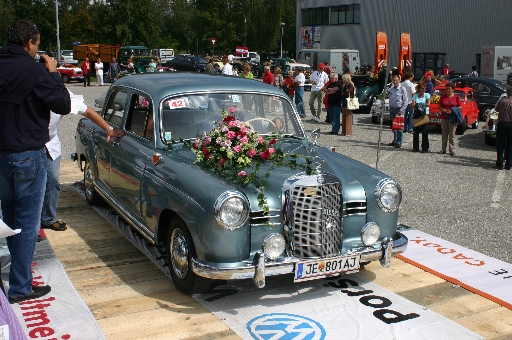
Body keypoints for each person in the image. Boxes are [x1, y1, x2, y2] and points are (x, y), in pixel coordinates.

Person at [0, 20, 71, 304]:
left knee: (9, 218)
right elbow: (63, 105)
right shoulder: (34, 70)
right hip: (28, 153)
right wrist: (52, 73)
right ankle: (20, 286)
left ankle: (16, 278)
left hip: (2, 154)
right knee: (28, 223)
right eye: (37, 43)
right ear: (30, 42)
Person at [42, 94, 124, 233]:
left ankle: (48, 218)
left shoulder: (59, 91)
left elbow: (86, 111)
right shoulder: (23, 85)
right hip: (25, 145)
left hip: (50, 144)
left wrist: (108, 128)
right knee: (31, 186)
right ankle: (30, 226)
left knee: (52, 182)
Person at [437, 82, 462, 156]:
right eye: (446, 89)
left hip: (452, 118)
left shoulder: (456, 97)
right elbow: (439, 106)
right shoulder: (443, 96)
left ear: (453, 89)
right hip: (444, 117)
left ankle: (452, 149)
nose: (447, 90)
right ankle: (443, 149)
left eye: (449, 89)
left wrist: (452, 110)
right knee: (444, 134)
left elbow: (460, 107)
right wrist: (444, 110)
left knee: (451, 135)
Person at [494, 87, 512, 170]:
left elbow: (496, 109)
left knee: (500, 145)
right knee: (510, 145)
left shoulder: (502, 100)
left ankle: (500, 163)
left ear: (507, 93)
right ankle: (509, 164)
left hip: (502, 123)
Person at [387, 74, 408, 148]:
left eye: (396, 80)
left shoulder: (402, 89)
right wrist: (389, 108)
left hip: (399, 110)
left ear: (399, 80)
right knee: (394, 127)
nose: (395, 82)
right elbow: (390, 99)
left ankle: (399, 142)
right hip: (393, 109)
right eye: (394, 80)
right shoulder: (391, 89)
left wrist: (401, 110)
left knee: (399, 127)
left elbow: (405, 101)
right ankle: (395, 140)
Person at [411, 81, 431, 153]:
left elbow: (428, 103)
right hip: (417, 115)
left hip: (424, 114)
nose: (424, 90)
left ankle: (425, 148)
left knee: (425, 131)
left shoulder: (427, 95)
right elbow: (412, 105)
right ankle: (415, 147)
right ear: (419, 89)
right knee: (416, 132)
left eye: (425, 88)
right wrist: (422, 106)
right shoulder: (415, 96)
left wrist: (418, 105)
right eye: (422, 88)